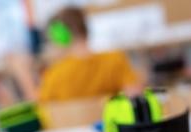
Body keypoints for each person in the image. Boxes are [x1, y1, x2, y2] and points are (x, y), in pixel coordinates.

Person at [8, 6, 142, 102]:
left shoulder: (56, 74)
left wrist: (23, 75)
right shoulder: (115, 59)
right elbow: (134, 93)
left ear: (61, 37)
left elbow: (40, 105)